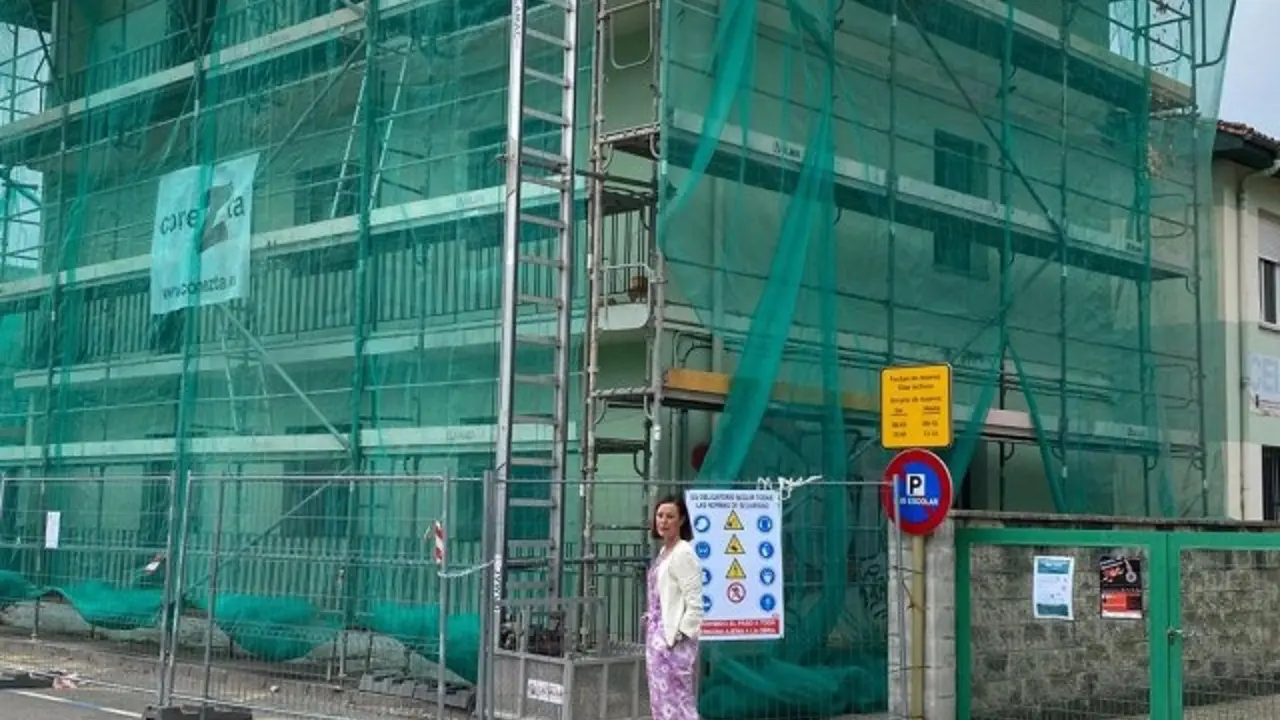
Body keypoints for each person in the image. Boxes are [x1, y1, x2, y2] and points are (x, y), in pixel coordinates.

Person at [644, 493, 703, 720]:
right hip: (657, 637)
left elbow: (695, 602)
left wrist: (679, 636)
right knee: (661, 701)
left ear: (681, 521)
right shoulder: (664, 552)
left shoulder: (683, 553)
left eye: (670, 516)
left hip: (673, 641)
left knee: (679, 701)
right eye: (660, 515)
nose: (663, 521)